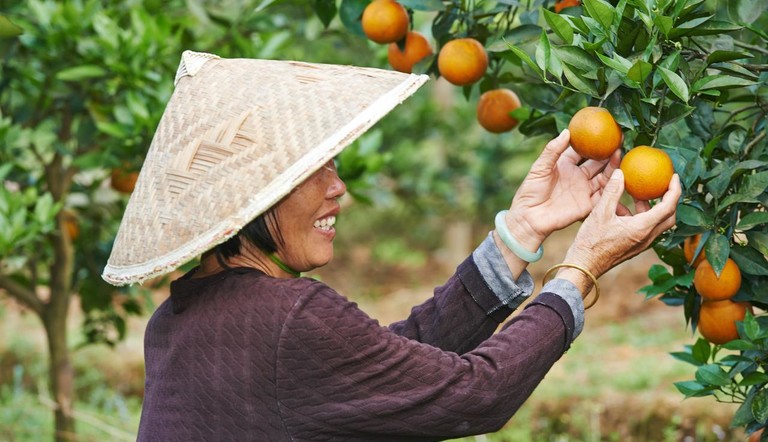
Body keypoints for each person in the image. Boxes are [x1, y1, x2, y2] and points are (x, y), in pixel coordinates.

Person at [103, 51, 680, 441]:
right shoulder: (289, 318)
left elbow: (386, 368)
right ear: (258, 193)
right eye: (318, 169)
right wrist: (580, 269)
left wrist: (523, 231)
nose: (339, 189)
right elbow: (479, 392)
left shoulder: (177, 321)